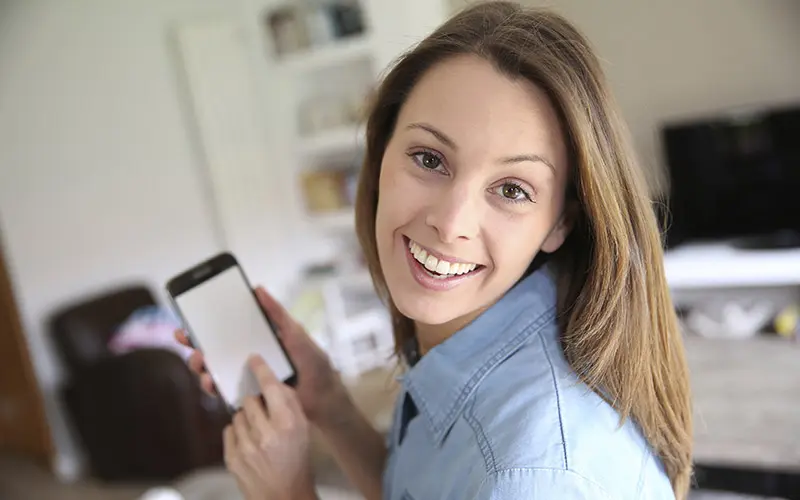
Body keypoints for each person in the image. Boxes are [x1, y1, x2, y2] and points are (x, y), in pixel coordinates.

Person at [177, 2, 693, 499]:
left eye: (512, 189)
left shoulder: (535, 479)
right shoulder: (468, 341)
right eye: (429, 159)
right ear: (380, 158)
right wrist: (330, 404)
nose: (450, 224)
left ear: (560, 221)